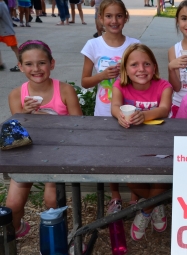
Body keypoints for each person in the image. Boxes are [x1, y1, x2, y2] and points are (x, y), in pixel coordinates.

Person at [6, 40, 83, 238]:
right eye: (29, 64)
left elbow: (79, 126)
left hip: (57, 154)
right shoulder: (16, 95)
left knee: (52, 200)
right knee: (12, 205)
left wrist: (47, 118)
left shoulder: (65, 91)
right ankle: (17, 230)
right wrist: (24, 114)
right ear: (20, 67)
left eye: (42, 63)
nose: (36, 69)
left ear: (52, 64)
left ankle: (59, 240)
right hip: (28, 154)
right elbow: (18, 133)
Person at [81, 0, 140, 216]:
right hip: (104, 111)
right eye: (108, 16)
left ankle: (136, 197)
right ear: (100, 19)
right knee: (110, 155)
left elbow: (142, 75)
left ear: (125, 17)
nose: (113, 21)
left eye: (118, 16)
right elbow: (85, 81)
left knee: (134, 153)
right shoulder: (93, 45)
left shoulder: (133, 44)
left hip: (130, 110)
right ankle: (115, 196)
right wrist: (103, 76)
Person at [110, 43, 171, 240]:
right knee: (128, 177)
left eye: (146, 64)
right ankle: (156, 203)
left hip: (160, 143)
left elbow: (164, 109)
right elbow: (115, 106)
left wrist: (144, 115)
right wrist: (120, 114)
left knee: (161, 175)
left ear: (154, 66)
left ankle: (146, 210)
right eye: (134, 65)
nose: (141, 69)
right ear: (125, 69)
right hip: (131, 145)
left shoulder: (164, 86)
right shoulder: (120, 84)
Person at [0, 0, 20, 71]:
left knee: (14, 48)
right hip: (3, 30)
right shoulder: (2, 3)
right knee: (14, 48)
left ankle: (20, 64)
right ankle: (0, 64)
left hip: (6, 30)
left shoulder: (1, 5)